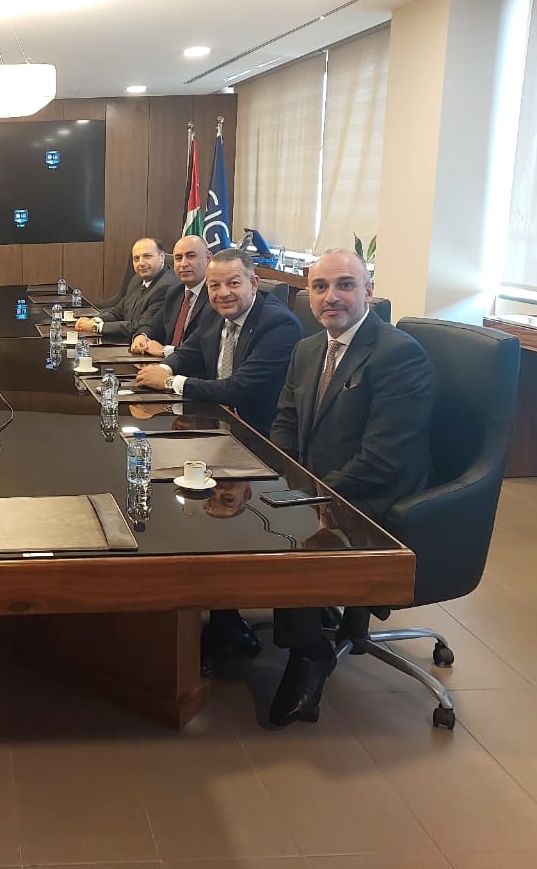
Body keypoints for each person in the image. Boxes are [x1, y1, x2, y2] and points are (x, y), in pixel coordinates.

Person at [260, 248, 435, 727]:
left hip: (377, 495)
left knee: (290, 545)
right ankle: (234, 628)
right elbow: (286, 420)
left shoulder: (398, 354)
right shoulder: (308, 349)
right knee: (245, 513)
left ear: (368, 292)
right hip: (321, 483)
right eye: (320, 287)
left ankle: (309, 653)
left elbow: (383, 458)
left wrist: (313, 497)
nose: (331, 297)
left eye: (345, 285)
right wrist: (282, 474)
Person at [133, 249, 302, 436]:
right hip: (214, 419)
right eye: (214, 285)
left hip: (257, 434)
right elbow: (188, 352)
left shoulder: (279, 324)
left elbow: (237, 389)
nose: (223, 293)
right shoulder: (213, 311)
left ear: (254, 284)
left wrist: (169, 382)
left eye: (233, 283)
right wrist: (162, 369)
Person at [74, 237, 178, 341]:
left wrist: (96, 327)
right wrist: (95, 320)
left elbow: (141, 327)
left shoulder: (166, 286)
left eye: (147, 256)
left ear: (162, 257)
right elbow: (119, 311)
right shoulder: (137, 279)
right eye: (136, 258)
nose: (141, 263)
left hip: (146, 346)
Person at [130, 235, 212, 357]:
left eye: (191, 256)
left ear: (208, 258)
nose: (183, 264)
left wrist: (165, 351)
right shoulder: (175, 292)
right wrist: (141, 336)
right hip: (167, 363)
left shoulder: (215, 296)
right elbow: (153, 325)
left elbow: (203, 348)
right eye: (178, 258)